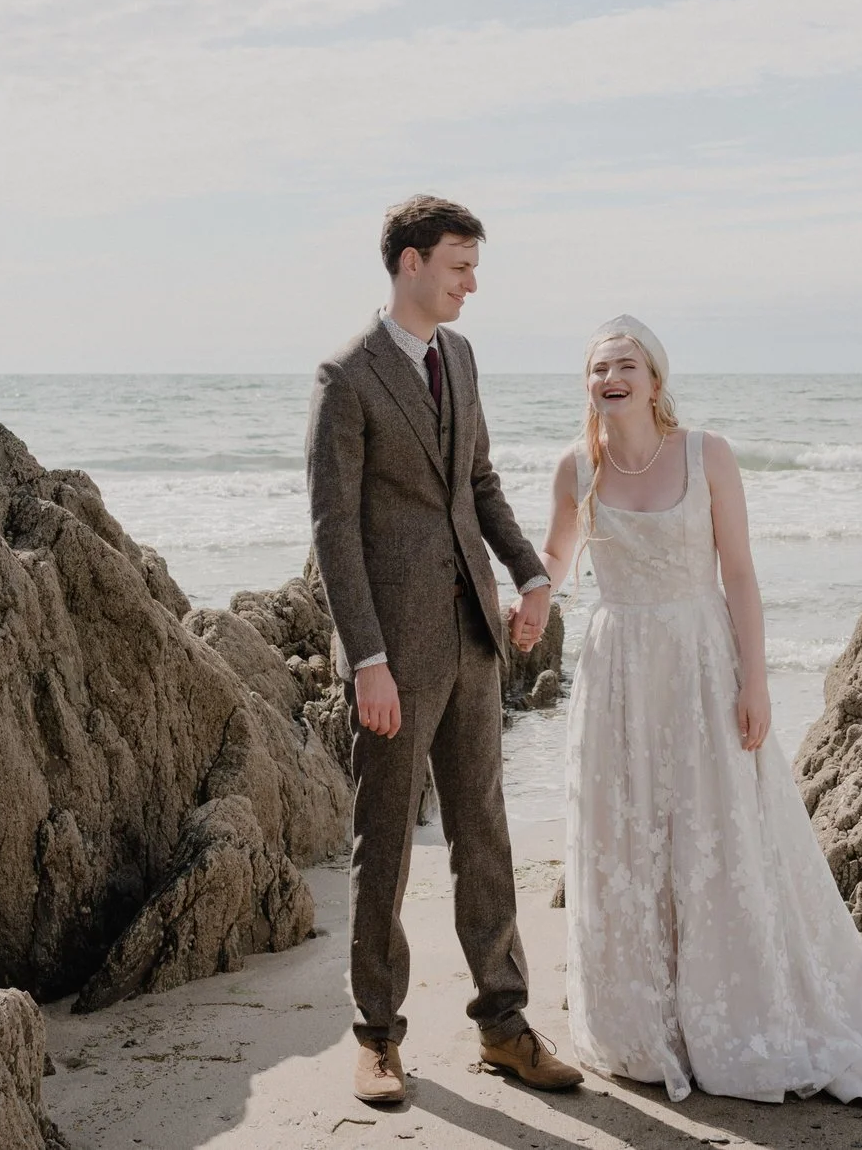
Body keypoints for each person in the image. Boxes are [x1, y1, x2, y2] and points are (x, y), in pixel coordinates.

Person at [540, 315, 862, 1103]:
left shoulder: (707, 454)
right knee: (628, 837)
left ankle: (730, 1016)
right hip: (615, 675)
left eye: (623, 363)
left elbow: (741, 576)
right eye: (596, 367)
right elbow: (554, 556)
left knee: (717, 837)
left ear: (653, 376)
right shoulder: (576, 466)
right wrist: (522, 592)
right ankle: (646, 1023)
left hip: (699, 665)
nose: (608, 376)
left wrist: (756, 681)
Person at [305, 195, 586, 1105]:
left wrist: (532, 572)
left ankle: (504, 1023)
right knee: (381, 842)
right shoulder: (345, 377)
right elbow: (334, 532)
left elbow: (480, 483)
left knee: (485, 834)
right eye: (461, 265)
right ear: (412, 262)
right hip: (395, 649)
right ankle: (377, 1036)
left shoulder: (460, 357)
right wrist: (367, 659)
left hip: (473, 638)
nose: (473, 283)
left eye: (474, 266)